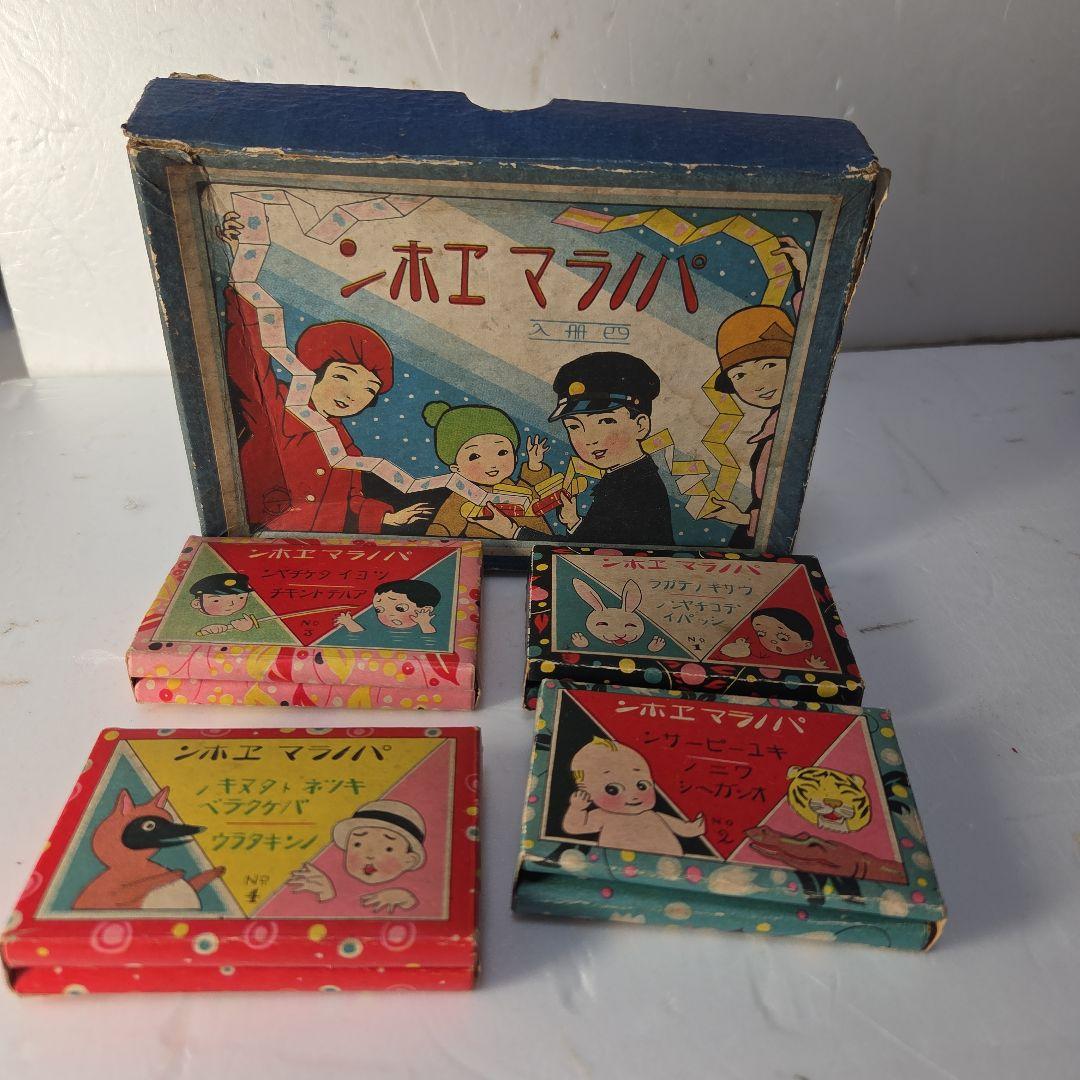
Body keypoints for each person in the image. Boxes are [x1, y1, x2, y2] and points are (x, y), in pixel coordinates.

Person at [218, 210, 432, 534]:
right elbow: (249, 353)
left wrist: (387, 518)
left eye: (369, 390)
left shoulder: (347, 448)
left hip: (326, 547)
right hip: (266, 542)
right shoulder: (275, 408)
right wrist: (242, 268)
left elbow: (351, 501)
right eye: (342, 377)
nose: (351, 395)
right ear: (312, 372)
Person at [483, 352, 674, 545]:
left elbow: (588, 552)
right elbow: (599, 540)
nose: (589, 439)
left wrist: (512, 531)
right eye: (574, 426)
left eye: (606, 421)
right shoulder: (623, 476)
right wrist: (574, 521)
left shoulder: (636, 487)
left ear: (640, 425)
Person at [706, 236, 806, 545]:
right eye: (739, 375)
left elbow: (814, 337)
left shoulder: (792, 420)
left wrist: (807, 276)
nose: (758, 384)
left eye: (769, 365)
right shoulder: (772, 426)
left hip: (759, 537)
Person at [420, 401, 553, 538]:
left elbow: (531, 494)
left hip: (539, 542)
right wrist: (435, 539)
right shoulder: (463, 494)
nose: (492, 464)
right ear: (456, 469)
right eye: (474, 456)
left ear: (515, 457)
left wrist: (534, 465)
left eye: (502, 452)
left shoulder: (511, 485)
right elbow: (443, 525)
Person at [562, 738, 705, 857]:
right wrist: (577, 809)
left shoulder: (652, 815)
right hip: (622, 863)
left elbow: (682, 828)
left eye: (642, 785)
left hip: (668, 864)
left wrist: (692, 829)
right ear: (588, 793)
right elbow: (574, 827)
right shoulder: (603, 816)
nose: (634, 795)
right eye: (613, 790)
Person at [286, 800, 427, 914]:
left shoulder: (411, 889)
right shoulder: (336, 880)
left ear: (409, 860)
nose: (369, 855)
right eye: (358, 844)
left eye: (388, 849)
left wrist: (407, 900)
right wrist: (326, 895)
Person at [720, 606, 827, 668]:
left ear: (806, 644)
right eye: (761, 634)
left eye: (783, 637)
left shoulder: (807, 662)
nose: (771, 640)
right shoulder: (757, 654)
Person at [334, 579, 442, 636]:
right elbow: (363, 636)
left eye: (400, 608)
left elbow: (431, 637)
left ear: (425, 610)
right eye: (379, 610)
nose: (389, 614)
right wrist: (349, 623)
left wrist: (424, 624)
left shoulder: (423, 630)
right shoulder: (379, 632)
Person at [188, 573, 257, 637]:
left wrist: (246, 627)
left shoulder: (248, 613)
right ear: (197, 603)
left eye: (241, 597)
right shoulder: (189, 618)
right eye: (216, 600)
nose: (231, 603)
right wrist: (206, 631)